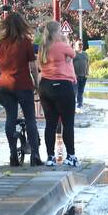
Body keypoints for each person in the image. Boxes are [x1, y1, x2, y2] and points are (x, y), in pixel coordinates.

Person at [0, 12, 42, 167]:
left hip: (5, 85)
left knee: (10, 118)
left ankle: (13, 154)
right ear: (22, 25)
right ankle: (35, 155)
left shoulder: (1, 43)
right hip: (22, 84)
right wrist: (37, 83)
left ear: (6, 26)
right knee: (30, 119)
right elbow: (33, 67)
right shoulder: (25, 42)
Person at [37, 21, 79, 167]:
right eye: (60, 31)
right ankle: (71, 156)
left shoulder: (43, 48)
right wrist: (65, 42)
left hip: (46, 87)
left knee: (50, 123)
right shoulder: (60, 45)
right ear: (55, 33)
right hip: (62, 86)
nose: (62, 33)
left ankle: (50, 157)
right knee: (68, 123)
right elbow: (73, 53)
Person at [72, 40, 90, 108]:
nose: (80, 46)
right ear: (76, 45)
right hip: (75, 76)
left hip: (83, 76)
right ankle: (73, 106)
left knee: (81, 91)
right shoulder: (73, 53)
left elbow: (88, 63)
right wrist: (73, 74)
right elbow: (70, 64)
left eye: (81, 44)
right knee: (75, 92)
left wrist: (87, 73)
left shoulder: (85, 54)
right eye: (79, 44)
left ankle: (80, 105)